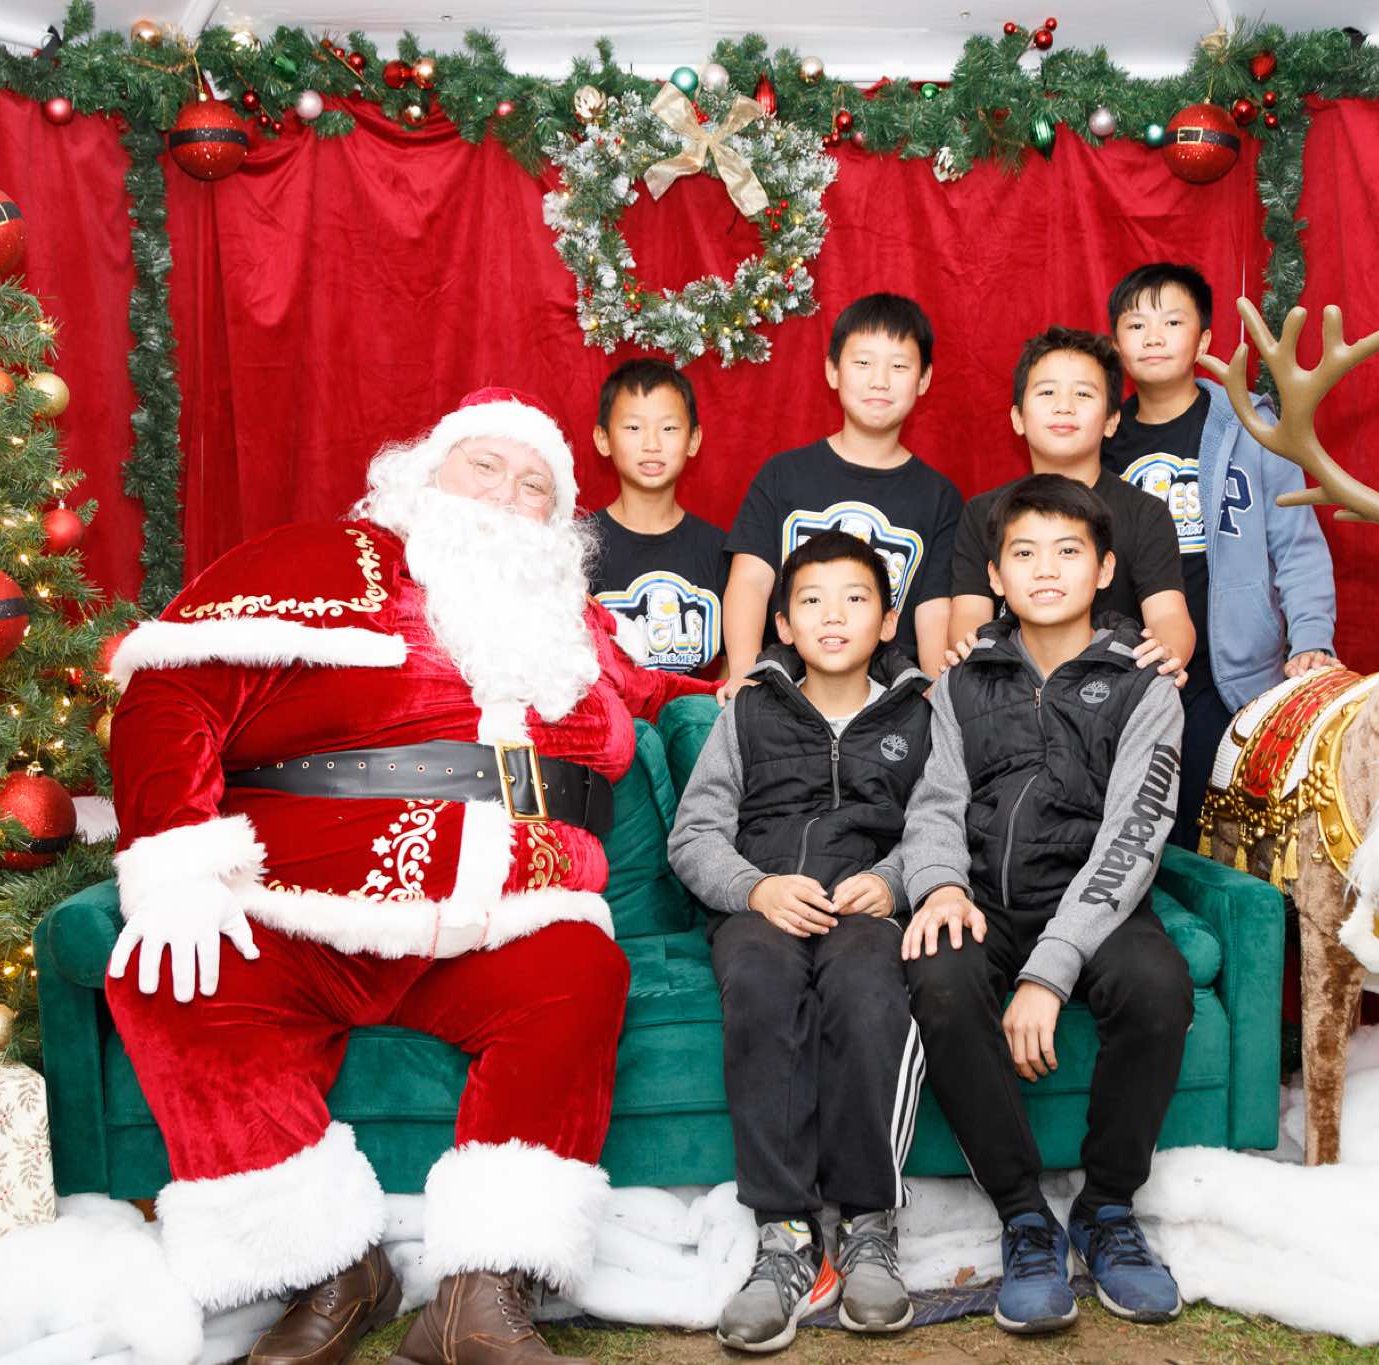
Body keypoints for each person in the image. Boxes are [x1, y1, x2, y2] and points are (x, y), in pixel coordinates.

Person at [104, 387, 715, 1365]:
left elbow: (674, 693)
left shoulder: (575, 628)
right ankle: (331, 1268)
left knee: (579, 974)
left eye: (534, 486)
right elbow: (171, 688)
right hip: (300, 910)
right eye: (486, 466)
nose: (507, 494)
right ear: (424, 475)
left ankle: (479, 1298)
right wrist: (174, 856)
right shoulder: (315, 561)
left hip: (509, 920)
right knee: (174, 978)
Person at [892, 474, 1192, 1335]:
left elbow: (1133, 838)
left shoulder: (1145, 683)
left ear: (1105, 570)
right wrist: (941, 886)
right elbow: (934, 804)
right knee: (939, 977)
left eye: (1068, 551)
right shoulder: (961, 680)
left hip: (1096, 898)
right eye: (1024, 553)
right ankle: (1025, 1217)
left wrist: (1049, 972)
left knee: (1158, 987)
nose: (1046, 569)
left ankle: (1107, 1209)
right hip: (984, 897)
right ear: (995, 575)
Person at [668, 530, 931, 1352]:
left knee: (868, 989)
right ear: (783, 621)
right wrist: (757, 887)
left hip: (865, 909)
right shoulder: (751, 709)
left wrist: (893, 880)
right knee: (759, 983)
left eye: (855, 599)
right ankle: (783, 1235)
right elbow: (694, 834)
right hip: (763, 906)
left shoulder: (923, 713)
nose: (833, 616)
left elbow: (941, 824)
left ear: (887, 620)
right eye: (812, 601)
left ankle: (868, 1224)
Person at [1104, 262, 1339, 845]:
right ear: (1116, 344)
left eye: (1172, 322)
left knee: (1214, 836)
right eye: (1136, 325)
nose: (1153, 337)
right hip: (1129, 671)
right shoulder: (1101, 439)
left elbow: (1297, 545)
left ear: (1205, 340)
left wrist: (1311, 639)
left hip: (1229, 673)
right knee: (1133, 830)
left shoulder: (1252, 428)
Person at [722, 293, 962, 682]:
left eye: (899, 366)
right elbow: (750, 582)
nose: (880, 381)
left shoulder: (938, 497)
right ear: (833, 370)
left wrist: (936, 691)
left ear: (924, 379)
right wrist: (745, 675)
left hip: (888, 693)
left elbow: (934, 611)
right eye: (863, 363)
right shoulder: (783, 474)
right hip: (785, 684)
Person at [946, 327, 1194, 677]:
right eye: (1047, 392)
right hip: (1011, 688)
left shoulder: (1145, 513)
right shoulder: (982, 512)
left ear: (1111, 421)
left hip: (1115, 687)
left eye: (1083, 394)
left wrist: (1168, 651)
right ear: (1018, 418)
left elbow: (1168, 614)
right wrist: (972, 664)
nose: (1064, 407)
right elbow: (969, 615)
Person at [587, 358, 728, 677]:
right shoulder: (576, 547)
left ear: (693, 440)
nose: (652, 444)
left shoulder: (719, 550)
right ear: (603, 439)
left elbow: (738, 659)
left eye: (668, 428)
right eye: (633, 428)